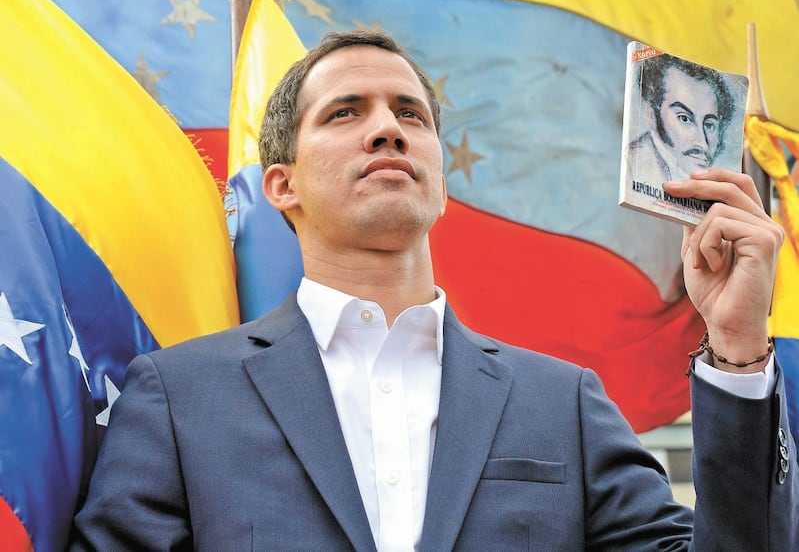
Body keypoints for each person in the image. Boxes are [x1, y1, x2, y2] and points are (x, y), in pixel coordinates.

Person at [72, 30, 797, 551]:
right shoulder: (177, 397)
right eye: (345, 112)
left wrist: (735, 345)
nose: (387, 128)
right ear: (281, 185)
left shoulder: (562, 403)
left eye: (409, 113)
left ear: (439, 184)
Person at [625, 53, 737, 184]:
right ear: (651, 114)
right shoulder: (631, 166)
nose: (702, 143)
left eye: (709, 125)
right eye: (684, 118)